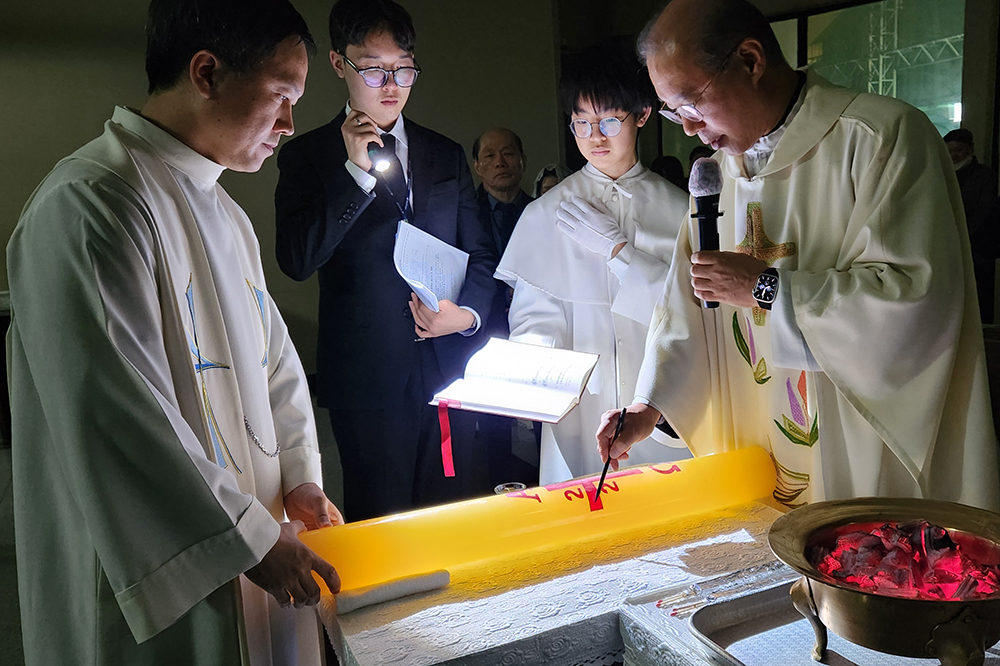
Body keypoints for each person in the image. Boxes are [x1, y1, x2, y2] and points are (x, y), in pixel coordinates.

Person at [8, 2, 343, 664]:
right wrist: (246, 540)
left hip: (256, 531)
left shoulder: (224, 212)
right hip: (160, 568)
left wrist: (300, 477)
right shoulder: (91, 202)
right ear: (207, 73)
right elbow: (116, 411)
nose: (288, 124)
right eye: (281, 96)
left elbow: (276, 364)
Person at [598, 0, 1000, 512]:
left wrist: (766, 288)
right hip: (755, 443)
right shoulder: (716, 176)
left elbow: (918, 301)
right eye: (674, 111)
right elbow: (685, 307)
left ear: (750, 60)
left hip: (852, 442)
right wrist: (648, 406)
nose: (689, 128)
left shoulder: (880, 138)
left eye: (691, 103)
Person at [274, 0, 497, 521]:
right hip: (367, 376)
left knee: (456, 518)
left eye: (404, 69)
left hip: (448, 367)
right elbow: (298, 259)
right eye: (374, 69)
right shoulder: (308, 156)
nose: (391, 84)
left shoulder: (444, 153)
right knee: (382, 523)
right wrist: (355, 176)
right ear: (339, 63)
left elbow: (482, 253)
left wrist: (466, 316)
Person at [497, 45, 691, 485]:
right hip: (579, 411)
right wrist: (529, 361)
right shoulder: (547, 212)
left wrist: (621, 253)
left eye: (609, 122)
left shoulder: (681, 211)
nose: (595, 137)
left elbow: (689, 314)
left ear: (642, 114)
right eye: (581, 123)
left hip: (660, 408)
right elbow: (534, 316)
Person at [472, 127, 537, 486]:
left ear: (522, 161)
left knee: (543, 418)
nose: (500, 162)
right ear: (478, 166)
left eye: (508, 153)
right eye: (490, 155)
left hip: (537, 329)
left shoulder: (540, 210)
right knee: (492, 425)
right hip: (485, 328)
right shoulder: (464, 212)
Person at [944, 128, 999, 322]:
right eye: (949, 151)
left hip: (977, 248)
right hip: (950, 246)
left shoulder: (985, 176)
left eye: (958, 150)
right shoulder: (943, 175)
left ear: (970, 149)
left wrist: (963, 236)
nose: (954, 155)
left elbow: (984, 212)